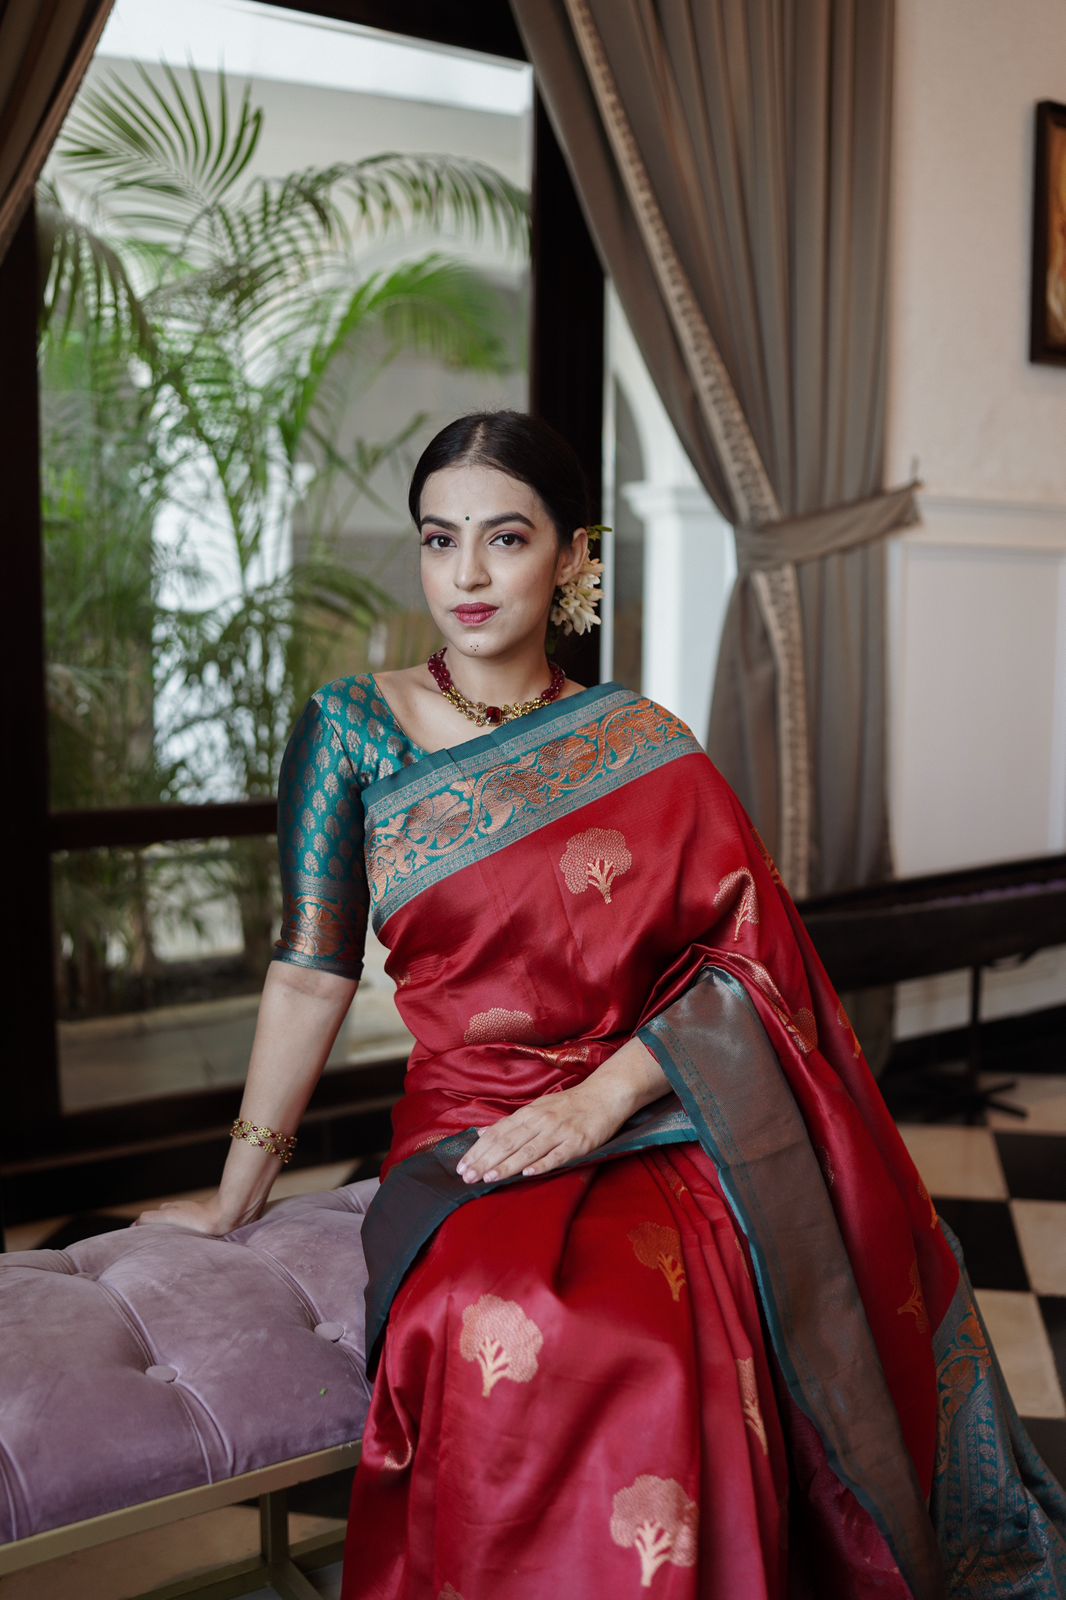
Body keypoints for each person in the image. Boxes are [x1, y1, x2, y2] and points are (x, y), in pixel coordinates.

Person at [138, 410, 1066, 1598]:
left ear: (573, 556)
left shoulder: (641, 739)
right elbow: (311, 973)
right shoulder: (349, 734)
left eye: (505, 538)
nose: (465, 576)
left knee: (709, 1300)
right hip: (470, 1130)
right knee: (511, 1312)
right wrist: (236, 1191)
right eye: (438, 539)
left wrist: (605, 1096)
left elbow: (754, 959)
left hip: (659, 1106)